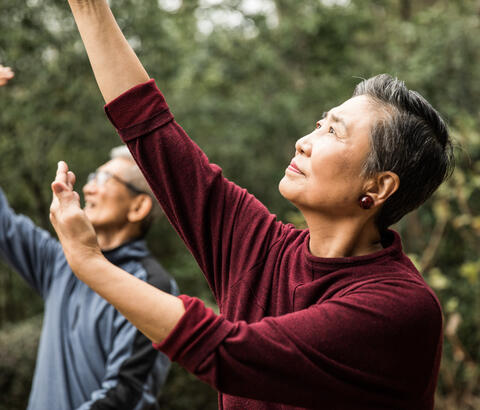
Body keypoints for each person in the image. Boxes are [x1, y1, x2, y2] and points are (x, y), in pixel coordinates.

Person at [49, 1, 454, 409]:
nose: (305, 141)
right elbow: (150, 128)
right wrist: (90, 9)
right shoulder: (262, 250)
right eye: (319, 123)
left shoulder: (400, 308)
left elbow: (228, 353)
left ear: (379, 185)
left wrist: (90, 263)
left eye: (334, 131)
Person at [0, 69, 178, 410]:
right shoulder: (59, 262)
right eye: (91, 176)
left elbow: (125, 395)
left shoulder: (151, 286)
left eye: (104, 178)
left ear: (139, 206)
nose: (89, 187)